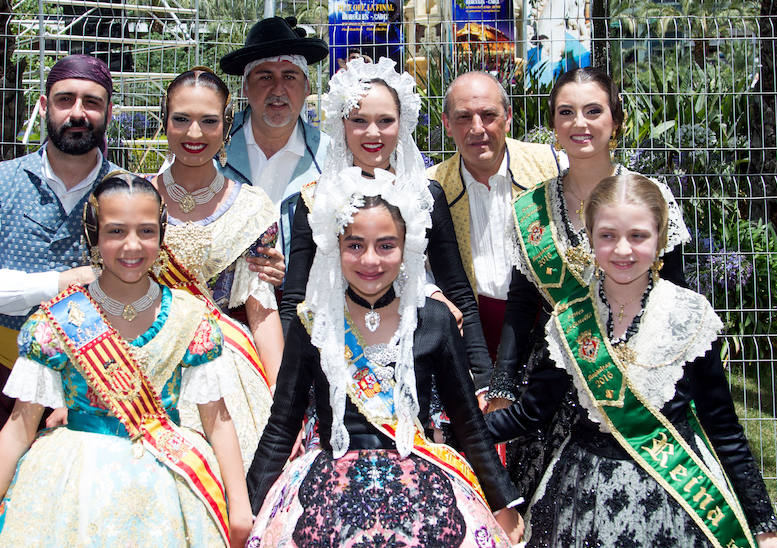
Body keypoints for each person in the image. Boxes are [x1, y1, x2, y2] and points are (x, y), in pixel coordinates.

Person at [0, 174, 253, 548]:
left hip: (166, 489)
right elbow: (19, 426)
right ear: (93, 234)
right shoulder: (60, 318)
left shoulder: (190, 317)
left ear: (162, 233)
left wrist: (238, 506)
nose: (132, 245)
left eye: (147, 231)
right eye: (116, 231)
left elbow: (217, 419)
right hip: (71, 485)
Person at [484, 174, 777, 547]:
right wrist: (455, 433)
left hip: (675, 499)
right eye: (608, 235)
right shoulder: (568, 322)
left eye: (638, 236)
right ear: (590, 239)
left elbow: (722, 426)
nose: (623, 250)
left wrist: (763, 525)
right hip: (580, 499)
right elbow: (530, 413)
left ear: (660, 239)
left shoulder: (689, 316)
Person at [246, 167, 524, 546]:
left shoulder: (435, 319)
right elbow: (281, 428)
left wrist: (502, 502)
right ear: (336, 246)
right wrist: (248, 508)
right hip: (327, 494)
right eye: (355, 245)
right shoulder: (313, 323)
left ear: (407, 245)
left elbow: (468, 425)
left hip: (423, 491)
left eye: (386, 245)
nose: (371, 260)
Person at [492, 67, 693, 501]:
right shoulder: (530, 209)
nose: (579, 123)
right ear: (553, 124)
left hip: (636, 381)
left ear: (616, 121)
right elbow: (522, 304)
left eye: (593, 111)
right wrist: (504, 383)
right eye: (566, 112)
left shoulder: (650, 196)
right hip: (554, 382)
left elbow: (676, 294)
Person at [0, 54, 115, 504]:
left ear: (109, 112)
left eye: (92, 102)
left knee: (76, 519)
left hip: (95, 389)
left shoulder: (128, 193)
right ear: (44, 107)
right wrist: (54, 284)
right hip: (0, 376)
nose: (78, 112)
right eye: (65, 99)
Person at [279, 57, 495, 398]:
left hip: (417, 358)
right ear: (342, 124)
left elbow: (459, 292)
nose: (373, 133)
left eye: (385, 121)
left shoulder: (425, 196)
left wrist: (482, 380)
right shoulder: (315, 200)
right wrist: (289, 389)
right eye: (359, 121)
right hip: (337, 359)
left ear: (402, 123)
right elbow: (294, 300)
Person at [150, 67, 279, 467]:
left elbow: (261, 311)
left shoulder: (250, 208)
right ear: (164, 121)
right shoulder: (132, 195)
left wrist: (281, 402)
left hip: (222, 360)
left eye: (209, 121)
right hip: (142, 353)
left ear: (226, 126)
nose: (194, 134)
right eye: (181, 119)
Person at [427, 71, 562, 366]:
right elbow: (408, 262)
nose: (477, 128)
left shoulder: (552, 167)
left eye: (488, 115)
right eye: (464, 117)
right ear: (447, 124)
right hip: (470, 343)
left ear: (508, 117)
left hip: (548, 340)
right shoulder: (430, 188)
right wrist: (432, 292)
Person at [219, 15, 330, 266]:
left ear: (307, 88)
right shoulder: (212, 146)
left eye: (290, 76)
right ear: (245, 87)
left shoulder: (330, 157)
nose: (278, 89)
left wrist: (291, 277)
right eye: (265, 77)